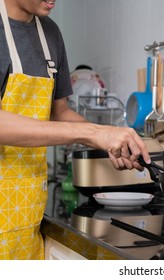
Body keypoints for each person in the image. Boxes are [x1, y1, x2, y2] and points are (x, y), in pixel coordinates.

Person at [0, 0, 151, 259]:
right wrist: (93, 133)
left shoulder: (50, 34)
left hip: (26, 214)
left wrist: (110, 138)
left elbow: (58, 112)